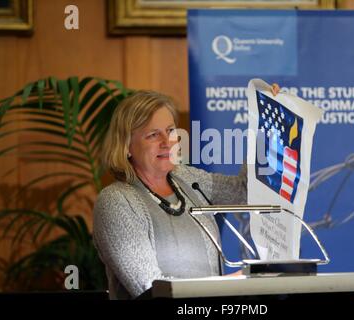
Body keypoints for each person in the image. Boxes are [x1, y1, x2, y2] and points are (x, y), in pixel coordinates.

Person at [93, 84, 280, 299]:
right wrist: (234, 283)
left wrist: (265, 125)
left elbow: (246, 191)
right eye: (153, 135)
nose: (167, 142)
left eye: (171, 131)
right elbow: (151, 289)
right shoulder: (116, 201)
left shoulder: (188, 179)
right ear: (126, 146)